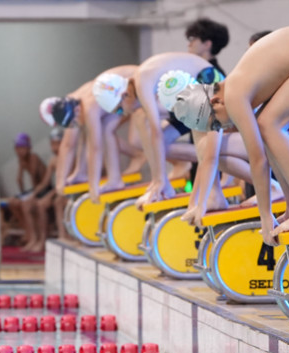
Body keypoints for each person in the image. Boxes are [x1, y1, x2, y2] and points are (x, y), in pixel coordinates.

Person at [170, 26, 289, 243]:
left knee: (269, 125)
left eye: (218, 123)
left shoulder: (234, 94)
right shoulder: (241, 86)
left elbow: (258, 160)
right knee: (268, 125)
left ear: (215, 101)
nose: (225, 127)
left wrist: (266, 218)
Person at [94, 53, 212, 205]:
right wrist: (158, 178)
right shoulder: (140, 83)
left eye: (119, 109)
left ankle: (215, 156)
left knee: (144, 122)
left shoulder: (141, 83)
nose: (124, 114)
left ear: (125, 95)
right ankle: (209, 158)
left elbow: (156, 132)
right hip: (193, 94)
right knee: (153, 135)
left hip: (209, 80)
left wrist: (159, 180)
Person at [39, 64, 139, 206]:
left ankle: (140, 159)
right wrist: (78, 173)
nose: (73, 127)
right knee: (106, 129)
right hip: (125, 87)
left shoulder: (87, 107)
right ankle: (115, 179)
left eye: (73, 124)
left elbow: (83, 147)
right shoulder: (73, 103)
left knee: (133, 139)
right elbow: (80, 140)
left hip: (135, 83)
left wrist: (93, 186)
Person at [26, 128, 65, 250]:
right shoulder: (53, 160)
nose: (55, 148)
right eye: (52, 144)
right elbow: (44, 183)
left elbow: (66, 183)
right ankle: (35, 238)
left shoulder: (68, 158)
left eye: (57, 144)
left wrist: (50, 195)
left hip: (67, 191)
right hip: (57, 190)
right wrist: (33, 194)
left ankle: (56, 236)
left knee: (43, 204)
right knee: (28, 204)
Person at [10, 133, 48, 251]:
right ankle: (28, 232)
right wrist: (22, 194)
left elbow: (35, 178)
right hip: (35, 189)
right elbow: (19, 179)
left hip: (44, 189)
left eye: (22, 148)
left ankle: (35, 238)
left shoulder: (33, 158)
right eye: (18, 148)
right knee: (13, 202)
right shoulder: (22, 160)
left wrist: (31, 196)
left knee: (26, 205)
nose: (20, 151)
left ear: (29, 148)